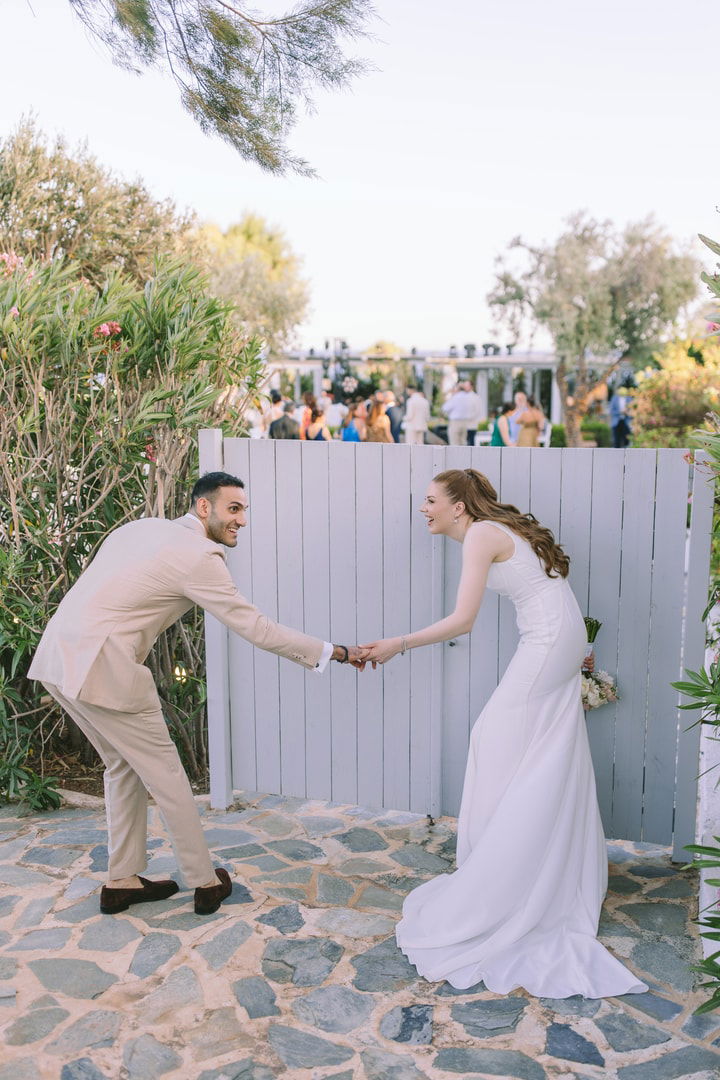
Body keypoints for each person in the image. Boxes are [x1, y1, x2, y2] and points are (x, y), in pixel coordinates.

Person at [358, 468, 647, 999]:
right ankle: (529, 864)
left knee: (494, 740)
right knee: (534, 751)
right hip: (557, 641)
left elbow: (463, 620)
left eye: (429, 501)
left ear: (458, 507)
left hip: (548, 645)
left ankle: (502, 876)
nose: (423, 510)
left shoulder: (483, 536)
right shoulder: (490, 532)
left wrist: (398, 642)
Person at [28, 473, 365, 916]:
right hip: (105, 668)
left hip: (58, 657)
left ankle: (123, 880)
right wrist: (336, 652)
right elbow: (257, 629)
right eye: (233, 509)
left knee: (121, 766)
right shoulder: (198, 556)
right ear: (203, 508)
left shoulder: (140, 528)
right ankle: (204, 881)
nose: (241, 520)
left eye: (244, 510)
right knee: (167, 774)